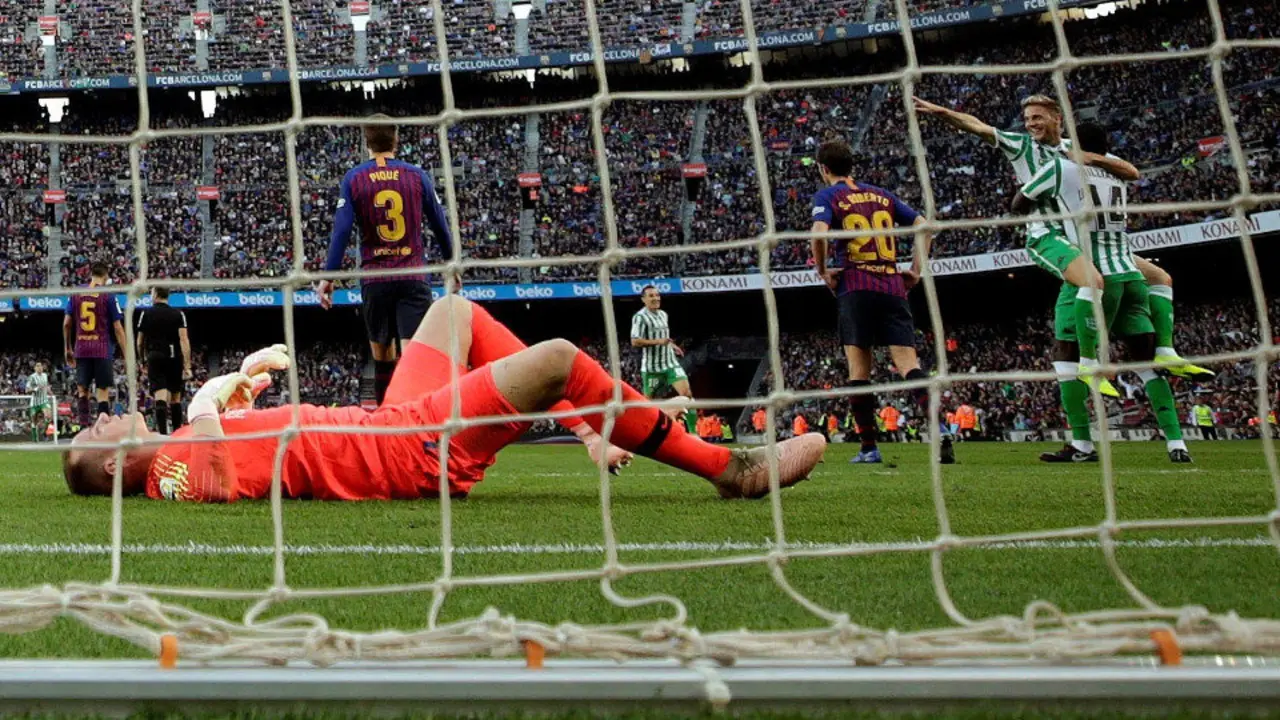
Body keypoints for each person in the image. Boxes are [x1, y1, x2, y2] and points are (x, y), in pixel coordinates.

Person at [61, 295, 826, 502]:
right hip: (406, 452)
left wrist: (244, 395)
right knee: (557, 358)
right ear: (109, 467)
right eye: (95, 430)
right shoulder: (165, 472)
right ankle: (729, 467)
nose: (100, 414)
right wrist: (233, 382)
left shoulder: (178, 459)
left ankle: (596, 431)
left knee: (452, 312)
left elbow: (229, 441)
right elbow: (207, 430)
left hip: (384, 424)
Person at [913, 94, 1211, 380]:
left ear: (1057, 118)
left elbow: (1131, 171)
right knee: (1092, 284)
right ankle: (1089, 361)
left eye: (1038, 117)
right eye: (1028, 119)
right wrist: (941, 112)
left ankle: (1164, 352)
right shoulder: (1021, 146)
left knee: (1159, 278)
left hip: (1090, 238)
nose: (1031, 124)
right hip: (1051, 236)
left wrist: (1091, 158)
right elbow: (976, 125)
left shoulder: (1075, 147)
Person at [1011, 123, 1191, 463]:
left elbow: (1018, 202)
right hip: (1130, 273)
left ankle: (1082, 443)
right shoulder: (1116, 170)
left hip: (1093, 272)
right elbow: (1130, 171)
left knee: (1066, 358)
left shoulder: (1062, 166)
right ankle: (1176, 444)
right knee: (1147, 364)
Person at [807, 139, 954, 466]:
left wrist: (822, 272)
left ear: (823, 169)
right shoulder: (882, 195)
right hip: (892, 285)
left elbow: (818, 234)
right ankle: (940, 426)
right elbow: (925, 226)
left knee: (859, 371)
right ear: (851, 166)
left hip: (855, 284)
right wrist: (916, 269)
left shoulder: (829, 195)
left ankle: (870, 448)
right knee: (909, 365)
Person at [317, 114, 455, 406]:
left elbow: (341, 231)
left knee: (382, 357)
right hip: (413, 276)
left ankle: (386, 424)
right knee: (413, 355)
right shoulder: (417, 176)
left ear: (365, 143)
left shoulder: (354, 178)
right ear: (396, 140)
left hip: (375, 279)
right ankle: (419, 430)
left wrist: (328, 277)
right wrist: (451, 264)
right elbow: (441, 224)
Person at [63, 262, 128, 426]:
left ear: (91, 274)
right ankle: (102, 430)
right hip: (102, 349)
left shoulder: (76, 293)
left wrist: (67, 348)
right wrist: (127, 355)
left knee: (82, 390)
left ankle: (84, 428)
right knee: (102, 391)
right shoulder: (108, 295)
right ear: (106, 277)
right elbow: (118, 328)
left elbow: (66, 324)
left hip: (82, 348)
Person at [630, 285, 695, 433]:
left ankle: (693, 433)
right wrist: (659, 342)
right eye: (651, 296)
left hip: (670, 364)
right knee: (647, 402)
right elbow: (635, 341)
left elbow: (664, 338)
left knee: (687, 395)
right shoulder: (640, 317)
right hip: (652, 369)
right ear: (643, 299)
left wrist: (672, 345)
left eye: (657, 295)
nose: (656, 298)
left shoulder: (663, 315)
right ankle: (643, 431)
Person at [137, 287, 192, 435]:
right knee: (175, 398)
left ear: (155, 295)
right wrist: (187, 365)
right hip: (174, 356)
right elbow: (184, 339)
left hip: (155, 356)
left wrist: (141, 359)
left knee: (160, 396)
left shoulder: (146, 314)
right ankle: (177, 434)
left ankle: (162, 435)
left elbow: (139, 342)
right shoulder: (178, 314)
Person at [26, 362, 52, 443]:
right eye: (37, 366)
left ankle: (44, 432)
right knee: (34, 422)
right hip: (34, 403)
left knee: (48, 417)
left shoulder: (45, 375)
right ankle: (35, 440)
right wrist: (36, 388)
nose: (39, 367)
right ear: (35, 368)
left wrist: (49, 391)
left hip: (44, 401)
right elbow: (27, 390)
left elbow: (46, 385)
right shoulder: (32, 377)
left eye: (41, 366)